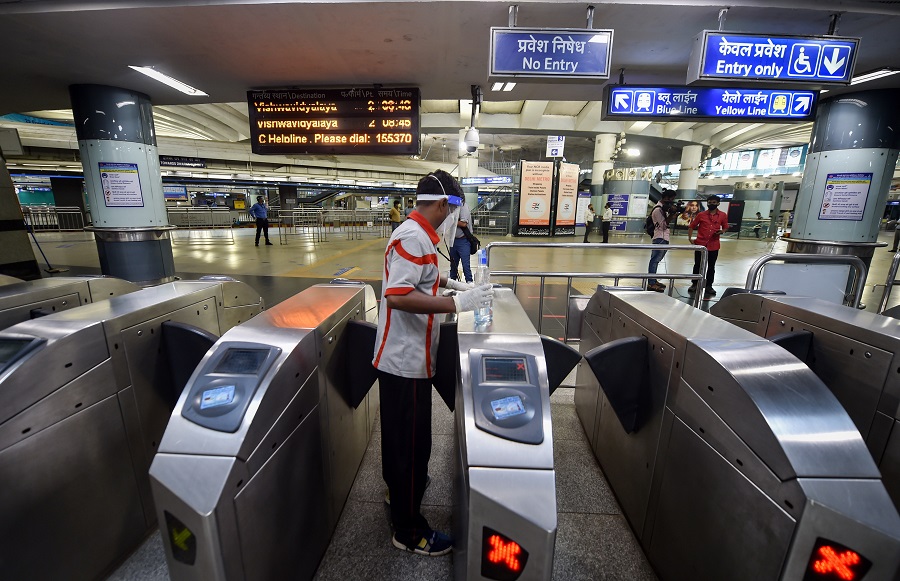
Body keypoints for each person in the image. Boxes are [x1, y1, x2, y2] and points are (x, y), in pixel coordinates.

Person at [373, 169, 492, 557]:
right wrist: (456, 303)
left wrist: (455, 285)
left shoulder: (419, 234)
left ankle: (399, 492)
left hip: (409, 359)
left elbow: (423, 277)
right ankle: (408, 531)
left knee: (404, 441)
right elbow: (398, 295)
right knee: (410, 444)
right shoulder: (412, 234)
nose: (453, 216)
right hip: (403, 360)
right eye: (454, 208)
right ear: (442, 204)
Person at [688, 194, 730, 297]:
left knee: (711, 267)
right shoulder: (701, 215)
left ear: (718, 203)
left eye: (714, 203)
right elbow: (692, 226)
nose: (711, 204)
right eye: (710, 202)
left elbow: (725, 227)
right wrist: (690, 239)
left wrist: (722, 231)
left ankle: (709, 286)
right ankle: (694, 284)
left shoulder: (723, 215)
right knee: (697, 265)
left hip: (714, 245)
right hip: (700, 245)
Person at [647, 190, 677, 292]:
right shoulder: (658, 210)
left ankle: (653, 280)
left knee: (656, 260)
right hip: (660, 238)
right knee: (654, 260)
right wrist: (671, 217)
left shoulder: (663, 209)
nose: (671, 202)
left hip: (664, 237)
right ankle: (651, 283)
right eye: (671, 199)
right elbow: (663, 225)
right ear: (666, 198)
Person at [449, 195, 473, 283]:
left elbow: (463, 223)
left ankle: (469, 284)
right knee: (453, 267)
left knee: (466, 266)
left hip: (463, 241)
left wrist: (451, 220)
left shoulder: (463, 206)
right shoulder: (452, 207)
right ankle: (451, 285)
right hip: (453, 241)